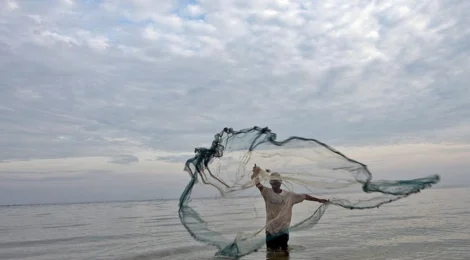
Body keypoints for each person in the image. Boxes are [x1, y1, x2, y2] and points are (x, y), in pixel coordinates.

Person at [251, 165, 328, 256]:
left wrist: (319, 200)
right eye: (273, 183)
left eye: (276, 182)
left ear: (280, 183)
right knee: (270, 253)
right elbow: (258, 184)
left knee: (284, 252)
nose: (275, 185)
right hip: (270, 230)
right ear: (270, 183)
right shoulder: (267, 192)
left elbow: (305, 196)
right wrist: (255, 173)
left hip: (283, 230)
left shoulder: (289, 196)